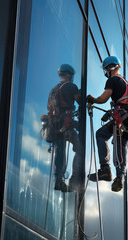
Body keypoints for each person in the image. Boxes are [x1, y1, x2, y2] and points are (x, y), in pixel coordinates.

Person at [86, 56, 128, 192]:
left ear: (110, 67)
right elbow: (121, 101)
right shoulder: (125, 82)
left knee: (117, 144)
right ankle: (111, 172)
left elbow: (104, 98)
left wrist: (92, 99)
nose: (106, 72)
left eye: (106, 69)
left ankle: (113, 174)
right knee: (107, 137)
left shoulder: (113, 80)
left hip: (122, 119)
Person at [47, 64, 82, 192]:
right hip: (65, 123)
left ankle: (58, 180)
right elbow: (80, 102)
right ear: (70, 75)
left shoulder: (54, 90)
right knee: (79, 148)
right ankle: (73, 180)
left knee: (60, 150)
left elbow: (50, 108)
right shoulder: (70, 87)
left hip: (54, 125)